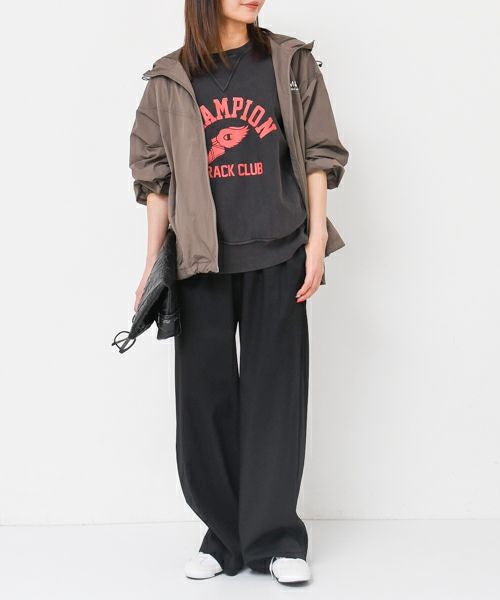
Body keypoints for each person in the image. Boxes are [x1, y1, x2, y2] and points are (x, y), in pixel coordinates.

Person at [129, 0, 348, 585]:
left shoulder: (290, 63)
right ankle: (223, 535)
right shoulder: (170, 78)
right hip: (201, 262)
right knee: (204, 403)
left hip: (279, 251)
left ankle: (275, 539)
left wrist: (315, 242)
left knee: (276, 397)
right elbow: (154, 178)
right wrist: (151, 267)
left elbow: (319, 155)